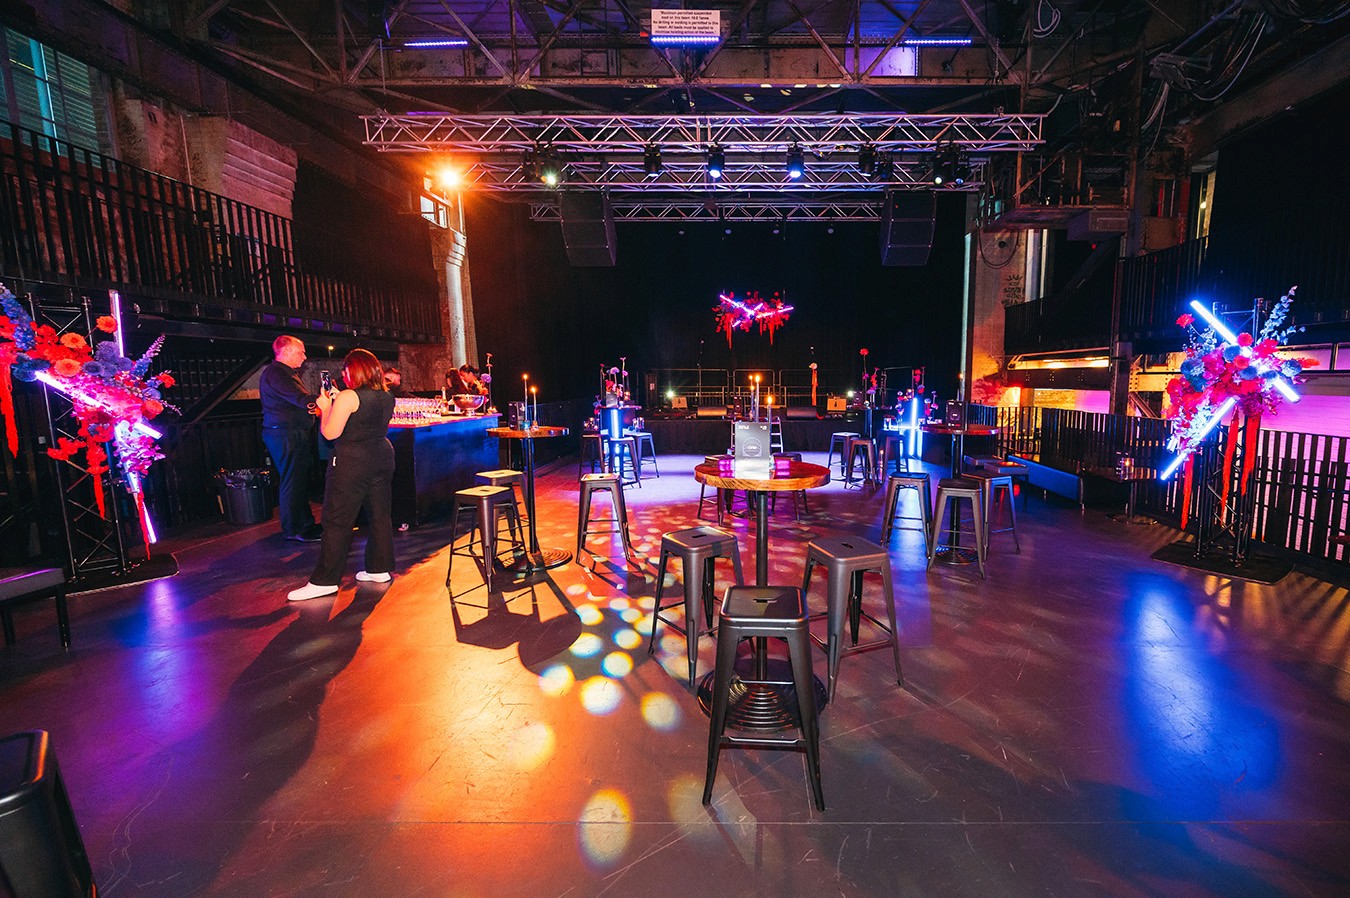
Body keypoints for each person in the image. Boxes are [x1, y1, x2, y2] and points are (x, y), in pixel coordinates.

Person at [287, 348, 397, 602]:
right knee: (380, 515)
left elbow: (330, 433)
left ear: (352, 370)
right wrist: (339, 403)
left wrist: (326, 407)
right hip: (381, 455)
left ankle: (324, 581)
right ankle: (379, 568)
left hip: (352, 461)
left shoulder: (349, 396)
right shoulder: (386, 395)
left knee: (337, 520)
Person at [259, 335, 322, 542]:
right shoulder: (277, 374)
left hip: (288, 432)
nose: (304, 356)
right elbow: (302, 400)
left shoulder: (282, 373)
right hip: (285, 433)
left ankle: (305, 524)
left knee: (297, 480)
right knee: (293, 481)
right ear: (285, 352)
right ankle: (294, 529)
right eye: (300, 352)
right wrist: (327, 400)